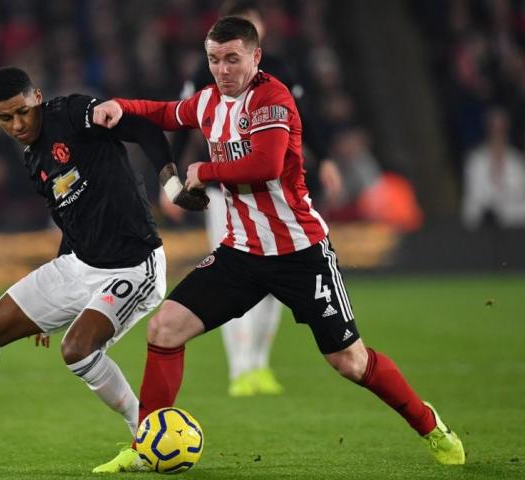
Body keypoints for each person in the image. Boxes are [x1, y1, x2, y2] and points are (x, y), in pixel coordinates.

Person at [92, 17, 465, 471]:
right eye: (214, 60)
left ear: (255, 57)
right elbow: (167, 113)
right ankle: (143, 448)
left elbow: (265, 164)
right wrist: (118, 106)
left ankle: (430, 427)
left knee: (349, 360)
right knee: (164, 329)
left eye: (233, 58)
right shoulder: (209, 102)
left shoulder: (273, 99)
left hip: (300, 254)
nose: (223, 69)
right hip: (241, 255)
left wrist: (203, 172)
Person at [0, 66, 208, 473]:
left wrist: (172, 187)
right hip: (78, 264)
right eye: (5, 118)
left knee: (77, 350)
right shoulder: (33, 158)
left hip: (134, 265)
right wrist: (51, 308)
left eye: (22, 112)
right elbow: (71, 220)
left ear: (38, 98)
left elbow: (146, 130)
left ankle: (146, 435)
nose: (16, 124)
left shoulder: (75, 113)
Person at [169, 0, 343, 397]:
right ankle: (239, 368)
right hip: (224, 192)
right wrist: (174, 178)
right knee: (230, 277)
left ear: (258, 36)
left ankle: (259, 364)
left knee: (273, 287)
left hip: (275, 194)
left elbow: (305, 115)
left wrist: (326, 157)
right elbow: (182, 119)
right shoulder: (206, 69)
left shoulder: (280, 68)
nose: (226, 63)